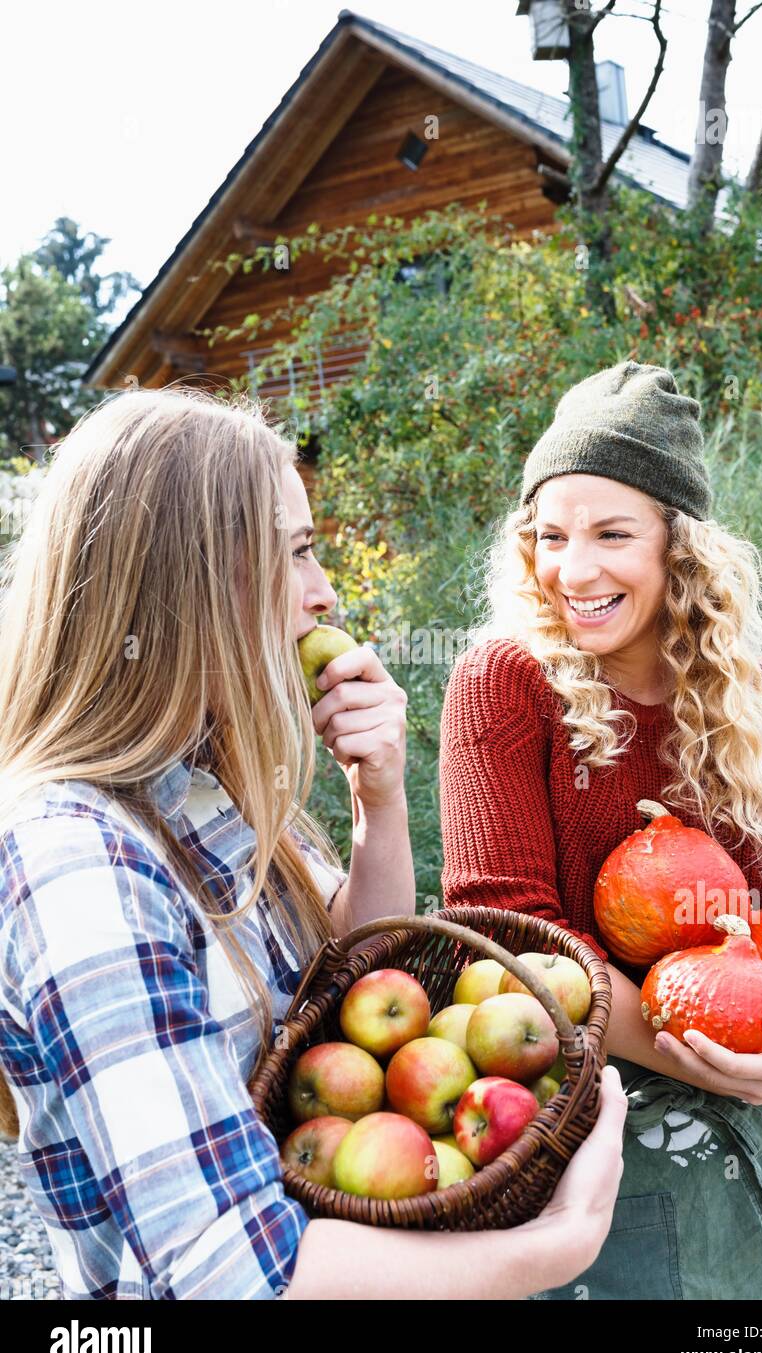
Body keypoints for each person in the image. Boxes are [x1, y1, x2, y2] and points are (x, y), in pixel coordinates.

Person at [0, 386, 626, 1301]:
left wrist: (378, 803)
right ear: (187, 581)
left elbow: (359, 984)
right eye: (294, 552)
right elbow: (237, 1280)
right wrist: (560, 1242)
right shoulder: (78, 864)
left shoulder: (202, 784)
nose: (325, 592)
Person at [438, 360, 762, 1301]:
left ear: (684, 547)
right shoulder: (505, 688)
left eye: (611, 533)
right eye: (549, 536)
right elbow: (505, 930)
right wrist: (696, 1046)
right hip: (584, 1120)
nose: (572, 569)